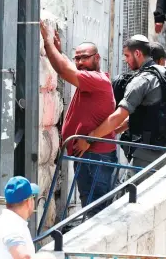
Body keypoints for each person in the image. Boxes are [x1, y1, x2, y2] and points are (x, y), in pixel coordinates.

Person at [41, 21, 117, 216]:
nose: (81, 62)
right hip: (90, 157)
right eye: (77, 59)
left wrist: (48, 42)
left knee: (95, 212)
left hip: (95, 157)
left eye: (85, 57)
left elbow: (65, 71)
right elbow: (68, 67)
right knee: (92, 207)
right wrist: (60, 52)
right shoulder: (90, 80)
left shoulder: (97, 80)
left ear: (97, 58)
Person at [77, 35, 166, 175]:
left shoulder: (142, 80)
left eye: (127, 55)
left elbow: (119, 116)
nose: (125, 60)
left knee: (129, 194)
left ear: (137, 53)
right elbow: (147, 114)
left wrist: (90, 138)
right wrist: (111, 133)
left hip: (149, 153)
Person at [0, 176, 39, 259]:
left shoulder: (12, 220)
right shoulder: (10, 223)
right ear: (29, 202)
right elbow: (23, 258)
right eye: (33, 197)